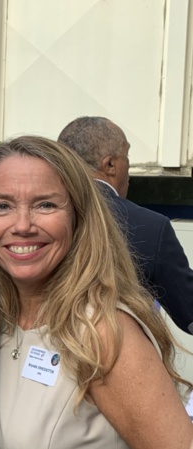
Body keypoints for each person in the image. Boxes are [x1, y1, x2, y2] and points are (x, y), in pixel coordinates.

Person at [0, 135, 193, 449]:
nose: (22, 225)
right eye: (2, 205)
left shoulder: (103, 332)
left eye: (45, 205)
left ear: (78, 217)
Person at [58, 116, 193, 335]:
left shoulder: (30, 220)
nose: (128, 169)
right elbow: (189, 313)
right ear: (110, 164)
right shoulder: (150, 226)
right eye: (127, 157)